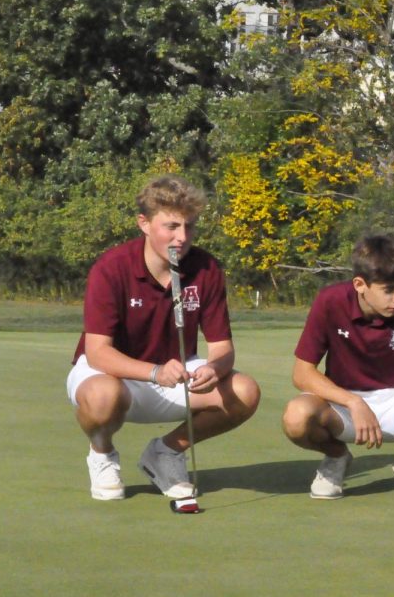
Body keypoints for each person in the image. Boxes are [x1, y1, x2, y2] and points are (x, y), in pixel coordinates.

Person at [67, 174, 262, 502]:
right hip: (113, 375)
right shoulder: (111, 268)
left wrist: (215, 369)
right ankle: (101, 454)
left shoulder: (206, 269)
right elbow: (98, 353)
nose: (182, 237)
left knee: (244, 391)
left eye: (189, 226)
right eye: (171, 226)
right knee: (103, 396)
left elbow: (223, 348)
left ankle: (166, 452)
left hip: (176, 374)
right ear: (143, 223)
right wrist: (154, 372)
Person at [282, 234, 394, 501]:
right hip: (343, 405)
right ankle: (337, 457)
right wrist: (354, 402)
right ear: (360, 284)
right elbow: (302, 373)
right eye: (389, 289)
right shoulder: (330, 301)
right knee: (296, 416)